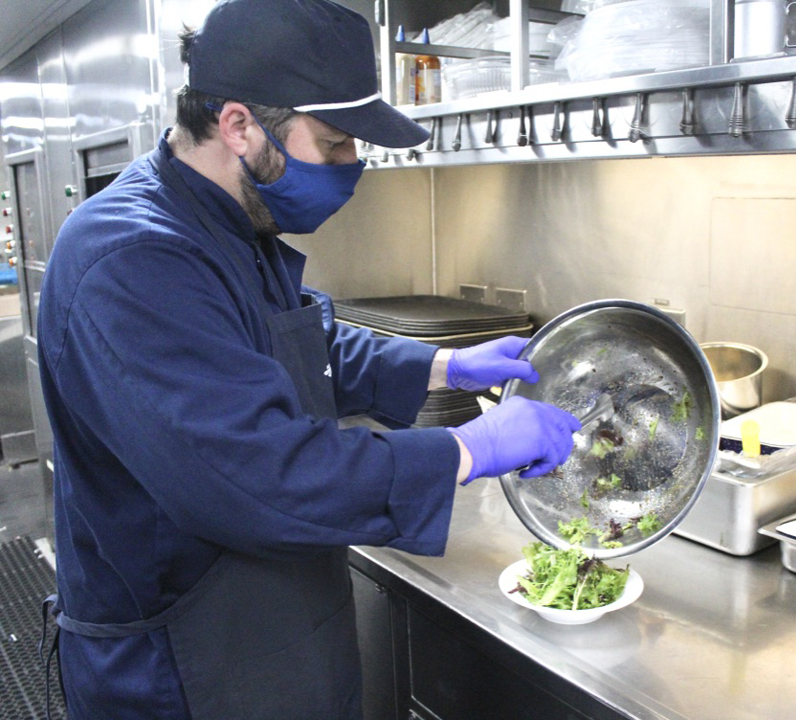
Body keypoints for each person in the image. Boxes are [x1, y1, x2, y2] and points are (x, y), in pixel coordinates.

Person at [36, 1, 581, 718]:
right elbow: (261, 478)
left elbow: (304, 341)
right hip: (180, 669)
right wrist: (464, 450)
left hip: (277, 634)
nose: (352, 169)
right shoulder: (134, 259)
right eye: (335, 144)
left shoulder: (234, 221)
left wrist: (444, 366)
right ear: (238, 126)